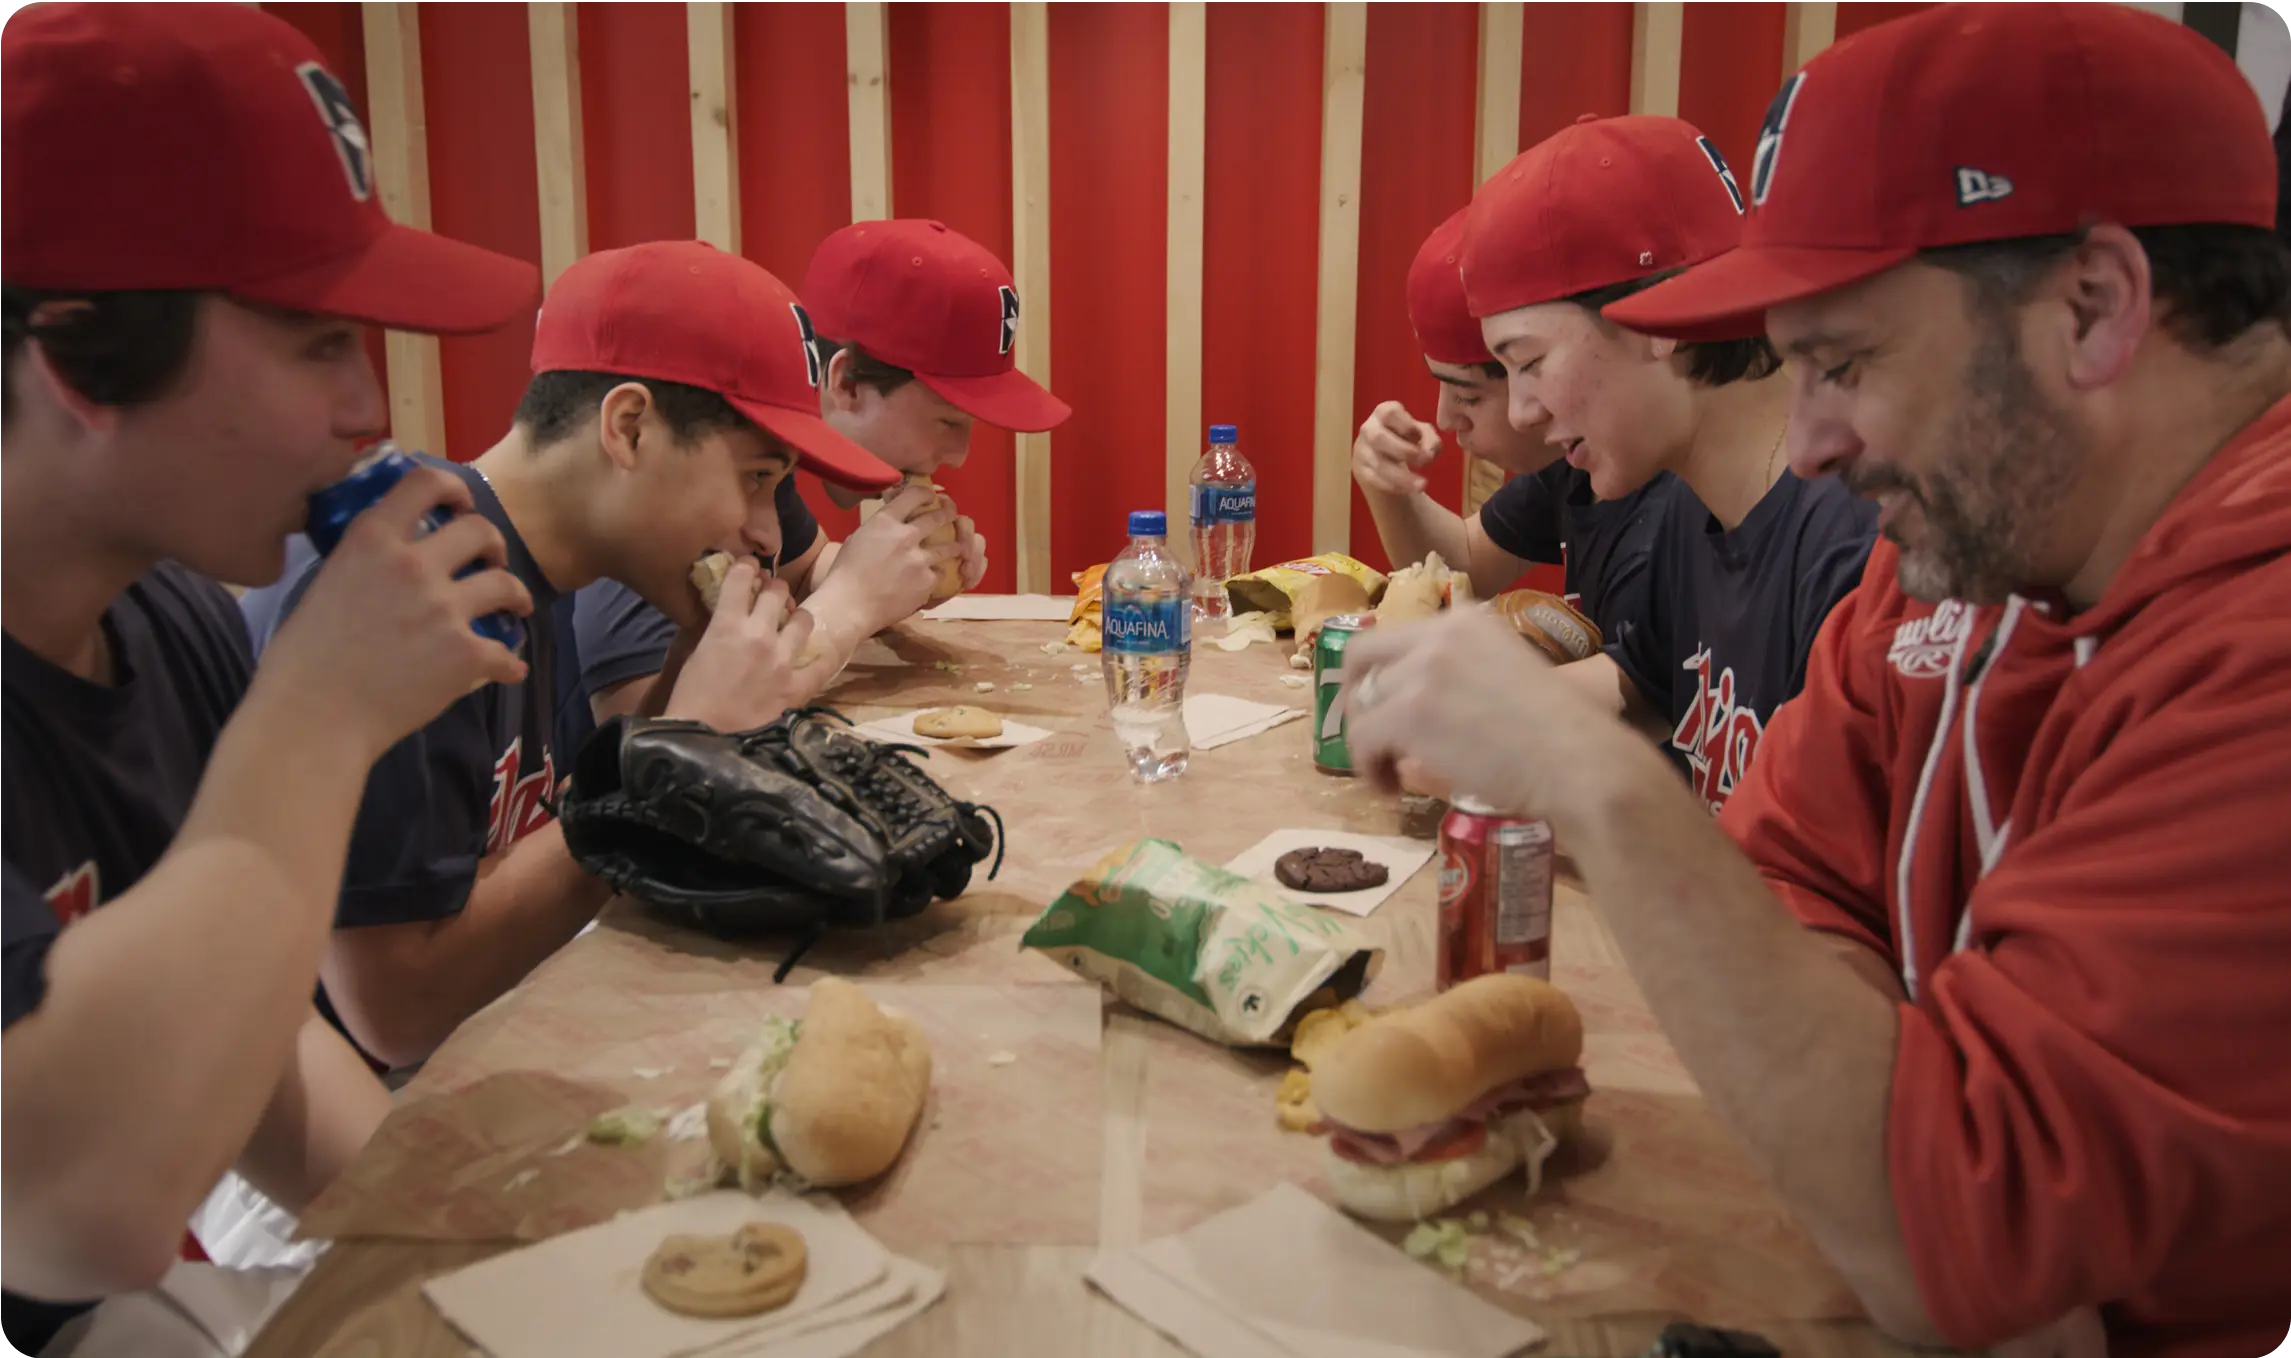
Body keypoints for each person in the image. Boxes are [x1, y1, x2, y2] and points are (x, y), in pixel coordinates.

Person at [1342, 5, 2291, 1354]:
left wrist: (1590, 778)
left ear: (2092, 310)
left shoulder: (2255, 645)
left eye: (1843, 362)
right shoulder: (1958, 548)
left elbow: (1945, 1241)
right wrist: (1893, 1106)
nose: (1806, 444)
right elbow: (1776, 874)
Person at [0, 4, 541, 1353]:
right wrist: (321, 710)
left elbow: (249, 1053)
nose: (368, 407)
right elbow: (77, 1206)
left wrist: (485, 1241)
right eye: (315, 343)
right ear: (78, 357)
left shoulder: (168, 614)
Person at [238, 241, 904, 1076]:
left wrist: (683, 692)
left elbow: (542, 849)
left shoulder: (534, 571)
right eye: (755, 477)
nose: (768, 534)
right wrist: (681, 751)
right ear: (629, 428)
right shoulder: (414, 579)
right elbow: (394, 1014)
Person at [1456, 115, 1876, 809]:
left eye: (1528, 362)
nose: (1523, 412)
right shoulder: (1691, 499)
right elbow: (1642, 685)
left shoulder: (1854, 544)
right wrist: (1454, 706)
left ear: (1658, 319)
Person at [573, 218, 1072, 723]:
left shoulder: (764, 469)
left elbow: (801, 569)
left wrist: (903, 573)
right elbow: (636, 734)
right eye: (947, 420)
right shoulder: (679, 489)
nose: (960, 455)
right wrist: (853, 604)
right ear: (846, 384)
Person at [1352, 206, 1671, 648]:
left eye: (1468, 396)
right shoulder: (1573, 463)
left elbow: (1636, 688)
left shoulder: (1668, 508)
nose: (1444, 419)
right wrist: (1387, 483)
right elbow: (1465, 564)